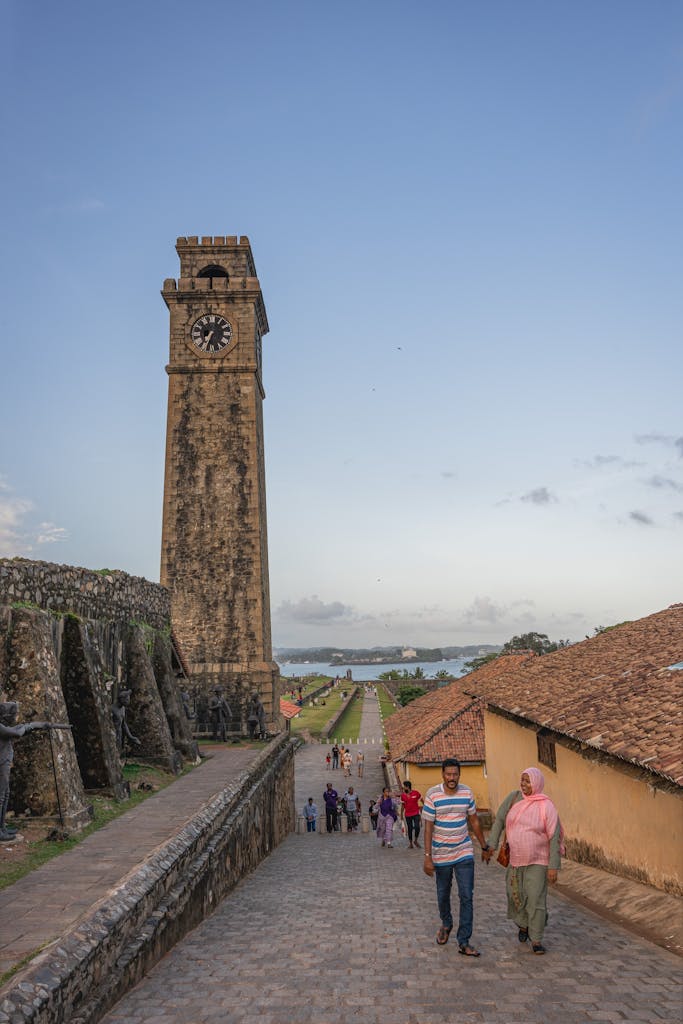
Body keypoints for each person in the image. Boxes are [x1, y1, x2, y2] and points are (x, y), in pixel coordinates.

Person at [484, 766, 563, 955]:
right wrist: (491, 844)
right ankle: (523, 925)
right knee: (515, 894)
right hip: (515, 859)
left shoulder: (546, 805)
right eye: (522, 780)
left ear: (536, 783)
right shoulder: (514, 798)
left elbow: (554, 836)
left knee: (535, 898)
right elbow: (499, 821)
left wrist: (553, 866)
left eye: (528, 781)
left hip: (538, 860)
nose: (524, 784)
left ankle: (536, 939)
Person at [422, 757, 490, 957]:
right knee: (443, 894)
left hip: (464, 852)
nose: (452, 778)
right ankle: (446, 923)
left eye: (455, 774)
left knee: (467, 895)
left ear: (459, 775)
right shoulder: (433, 795)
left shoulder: (466, 792)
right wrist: (427, 857)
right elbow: (428, 828)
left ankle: (464, 941)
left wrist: (484, 845)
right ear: (442, 774)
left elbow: (474, 821)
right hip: (441, 854)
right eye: (448, 774)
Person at [400, 779, 423, 849]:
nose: (403, 788)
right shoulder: (403, 795)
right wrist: (401, 814)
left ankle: (415, 840)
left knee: (417, 827)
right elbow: (403, 806)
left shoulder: (416, 793)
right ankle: (411, 844)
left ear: (408, 786)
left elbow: (421, 799)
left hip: (416, 813)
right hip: (407, 814)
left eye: (404, 786)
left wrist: (425, 806)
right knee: (409, 829)